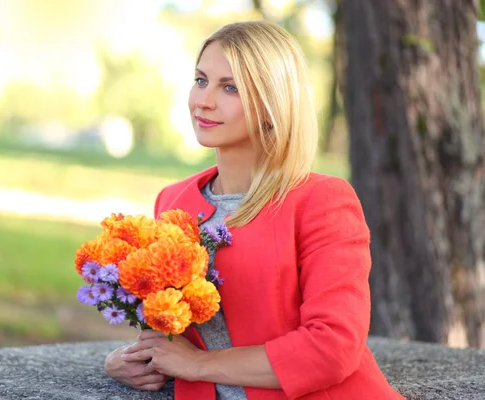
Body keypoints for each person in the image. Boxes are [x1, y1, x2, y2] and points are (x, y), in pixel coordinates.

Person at [104, 20, 405, 400]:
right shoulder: (174, 201)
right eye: (201, 80)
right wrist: (130, 359)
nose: (204, 100)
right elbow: (179, 331)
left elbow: (333, 346)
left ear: (271, 104)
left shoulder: (322, 201)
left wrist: (198, 365)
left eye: (230, 87)